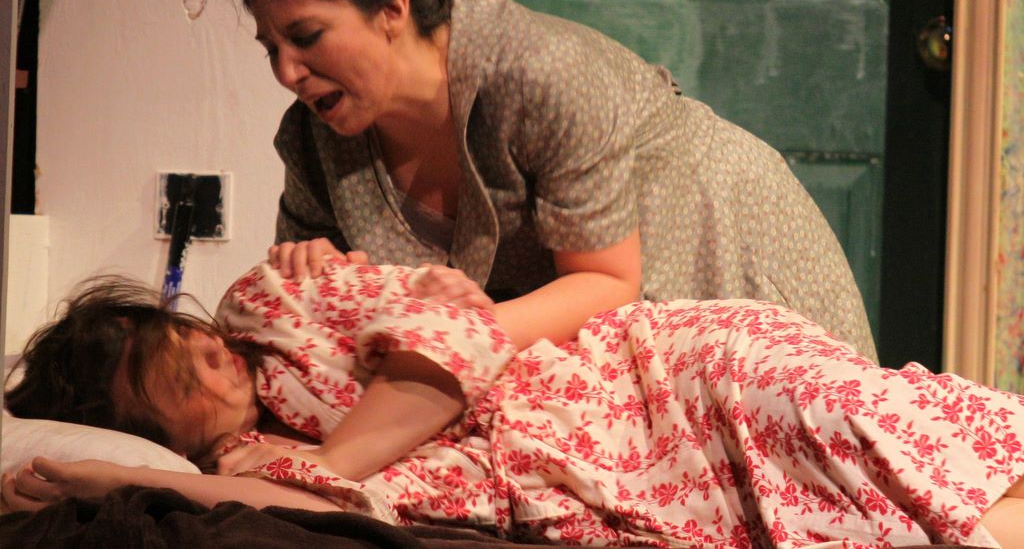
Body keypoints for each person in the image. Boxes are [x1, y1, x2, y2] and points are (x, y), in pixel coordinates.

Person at [228, 0, 877, 359]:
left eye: (307, 37)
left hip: (712, 243)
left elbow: (605, 281)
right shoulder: (315, 140)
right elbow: (310, 313)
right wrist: (320, 275)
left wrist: (445, 343)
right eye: (271, 48)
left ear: (391, 9)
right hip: (560, 343)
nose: (287, 72)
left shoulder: (539, 73)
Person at [4, 259, 1023, 547]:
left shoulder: (273, 302)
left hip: (643, 378)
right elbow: (312, 511)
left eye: (187, 340)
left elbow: (453, 320)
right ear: (151, 426)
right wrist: (116, 479)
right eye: (179, 383)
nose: (210, 360)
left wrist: (342, 449)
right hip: (594, 487)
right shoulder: (244, 469)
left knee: (841, 418)